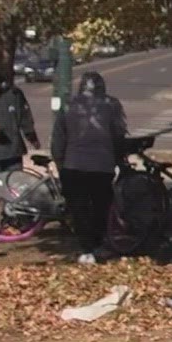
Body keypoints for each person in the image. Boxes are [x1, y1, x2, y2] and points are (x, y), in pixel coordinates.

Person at [51, 71, 128, 264]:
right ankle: (98, 245)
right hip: (101, 166)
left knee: (79, 209)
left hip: (73, 164)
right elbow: (118, 135)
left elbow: (59, 137)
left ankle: (85, 246)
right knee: (100, 207)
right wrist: (120, 159)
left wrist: (59, 160)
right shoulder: (112, 105)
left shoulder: (68, 105)